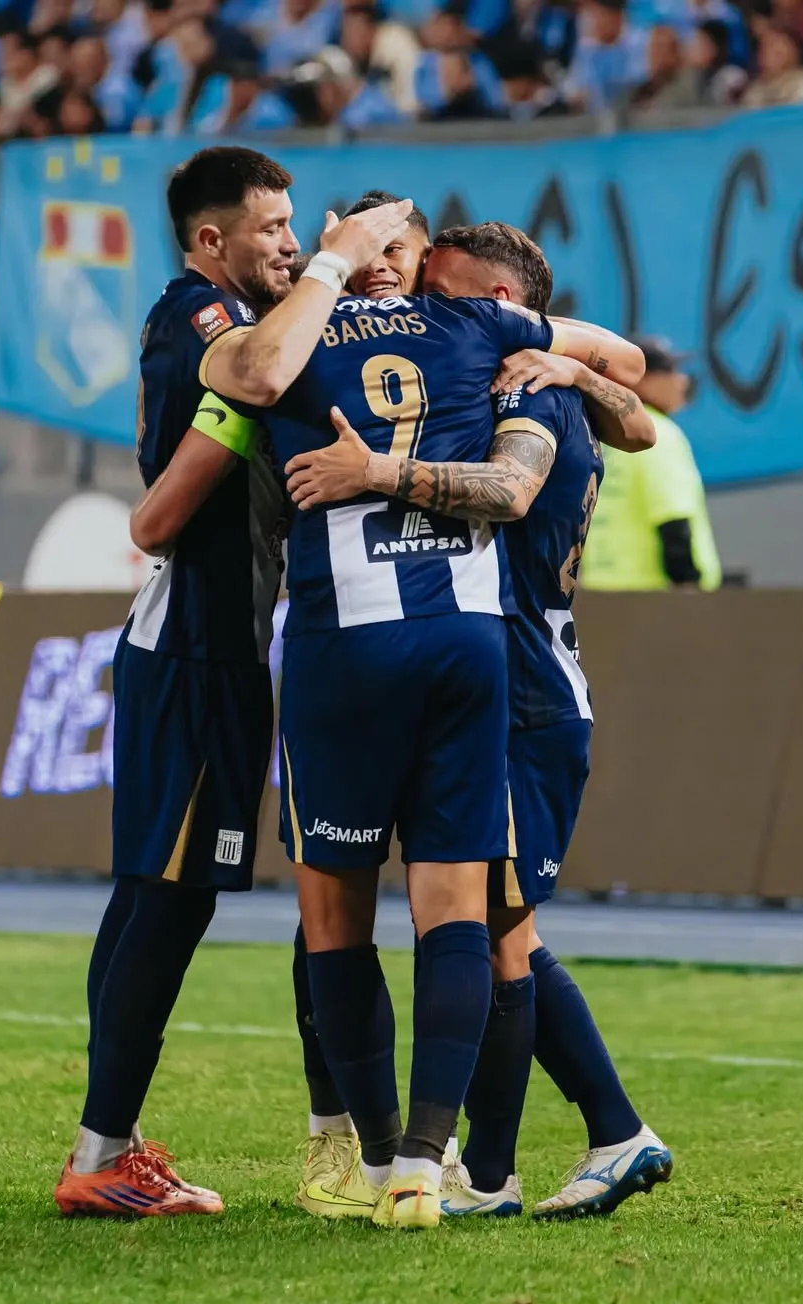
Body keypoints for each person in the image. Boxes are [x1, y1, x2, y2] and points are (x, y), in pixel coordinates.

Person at [192, 198, 630, 1230]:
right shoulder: (478, 330)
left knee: (335, 916)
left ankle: (375, 1154)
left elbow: (245, 378)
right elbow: (626, 367)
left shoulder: (283, 336)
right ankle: (432, 1171)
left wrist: (327, 278)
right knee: (462, 916)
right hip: (471, 648)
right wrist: (565, 365)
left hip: (345, 647)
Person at [52, 146, 415, 1219]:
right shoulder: (197, 314)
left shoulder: (228, 317)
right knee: (168, 902)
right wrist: (342, 264)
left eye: (301, 226)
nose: (294, 244)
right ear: (213, 241)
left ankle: (104, 1143)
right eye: (273, 230)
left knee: (151, 903)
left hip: (214, 644)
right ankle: (102, 1156)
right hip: (195, 646)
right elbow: (242, 398)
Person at [288, 220, 672, 1221]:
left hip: (524, 681)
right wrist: (586, 370)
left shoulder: (522, 388)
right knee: (503, 928)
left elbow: (513, 488)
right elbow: (639, 414)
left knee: (504, 938)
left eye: (444, 295)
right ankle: (535, 1153)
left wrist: (374, 472)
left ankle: (545, 1152)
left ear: (496, 308)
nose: (423, 310)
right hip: (517, 668)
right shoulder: (526, 375)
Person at [579, 335, 721, 592]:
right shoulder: (658, 434)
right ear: (642, 378)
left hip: (601, 594)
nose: (681, 381)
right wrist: (688, 585)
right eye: (671, 371)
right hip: (656, 599)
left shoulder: (602, 434)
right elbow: (673, 519)